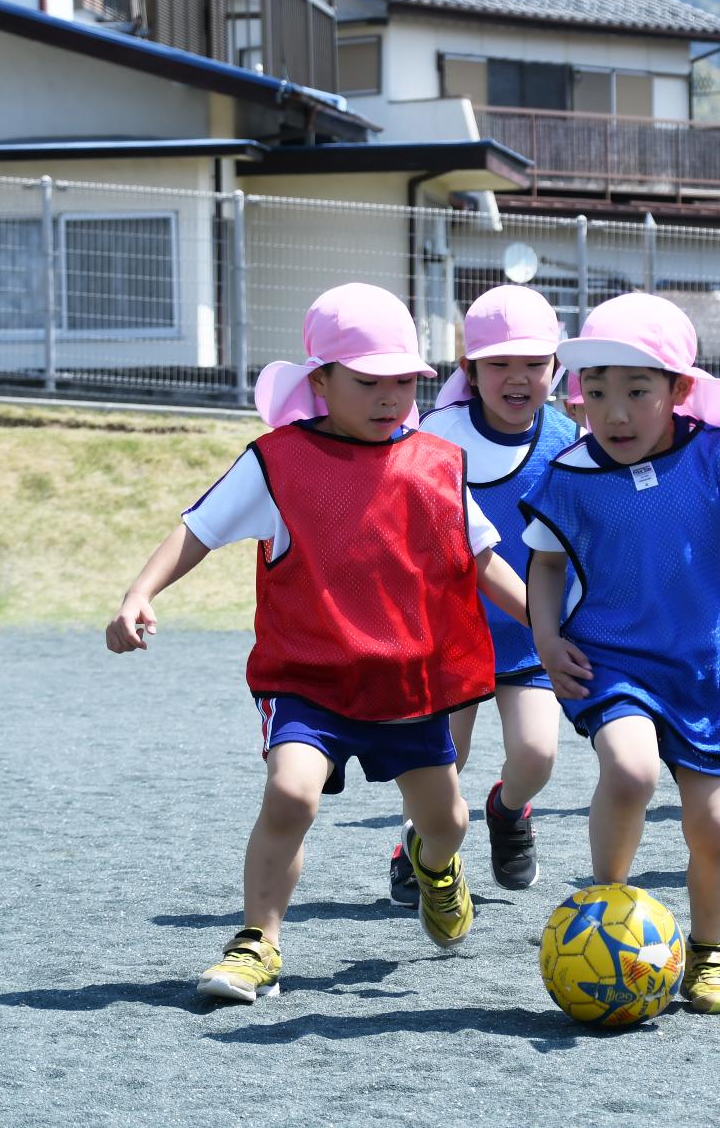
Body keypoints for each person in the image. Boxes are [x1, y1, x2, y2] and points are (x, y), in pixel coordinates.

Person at [105, 283, 528, 1002]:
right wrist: (138, 594)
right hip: (310, 680)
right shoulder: (278, 461)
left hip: (409, 684)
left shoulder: (437, 465)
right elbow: (198, 527)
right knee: (291, 793)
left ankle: (435, 868)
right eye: (368, 382)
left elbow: (486, 561)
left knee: (447, 822)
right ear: (320, 381)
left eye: (403, 381)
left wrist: (549, 633)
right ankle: (257, 942)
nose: (389, 396)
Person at [521, 292, 720, 1014]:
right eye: (596, 391)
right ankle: (604, 912)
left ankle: (709, 952)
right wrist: (546, 638)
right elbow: (547, 566)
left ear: (681, 390)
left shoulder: (719, 453)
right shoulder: (568, 474)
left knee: (713, 825)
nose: (613, 412)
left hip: (710, 670)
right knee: (630, 767)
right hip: (611, 658)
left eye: (637, 391)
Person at [382, 285, 580, 899]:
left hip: (531, 638)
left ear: (556, 370)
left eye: (533, 364)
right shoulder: (435, 437)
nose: (516, 379)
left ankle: (508, 811)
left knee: (537, 756)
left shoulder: (571, 442)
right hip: (449, 638)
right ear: (469, 370)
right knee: (442, 763)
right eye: (498, 364)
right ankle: (416, 840)